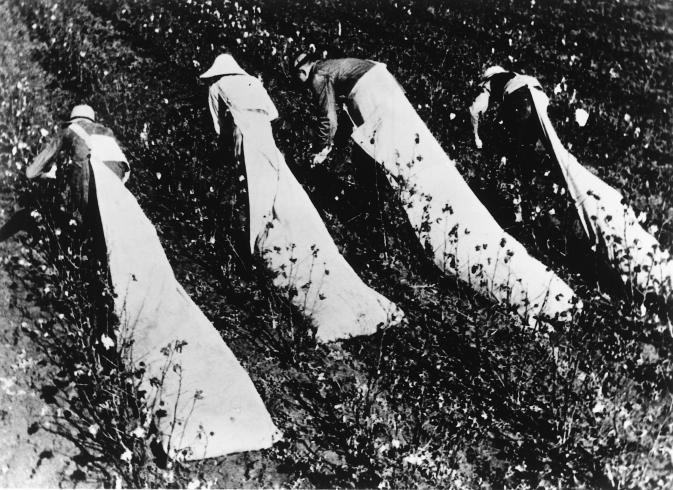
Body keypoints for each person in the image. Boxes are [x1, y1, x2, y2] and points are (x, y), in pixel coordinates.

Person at [293, 53, 580, 323]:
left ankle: (374, 225)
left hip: (375, 104)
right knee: (401, 170)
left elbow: (328, 120)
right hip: (389, 95)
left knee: (397, 177)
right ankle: (374, 220)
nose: (303, 83)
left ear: (304, 69)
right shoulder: (347, 64)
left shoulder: (319, 73)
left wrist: (320, 150)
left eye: (299, 77)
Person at [201, 53, 403, 342]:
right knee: (278, 197)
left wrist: (222, 156)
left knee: (253, 200)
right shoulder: (252, 83)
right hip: (267, 143)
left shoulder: (215, 87)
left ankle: (255, 254)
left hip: (243, 140)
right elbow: (272, 115)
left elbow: (218, 129)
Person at [25, 105, 130, 222]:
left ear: (73, 120)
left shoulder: (70, 129)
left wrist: (39, 175)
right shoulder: (108, 133)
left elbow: (32, 171)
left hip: (90, 182)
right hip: (117, 184)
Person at [469, 65, 545, 152]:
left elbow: (474, 111)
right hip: (536, 91)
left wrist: (475, 137)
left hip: (518, 94)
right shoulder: (513, 76)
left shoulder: (489, 82)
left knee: (513, 132)